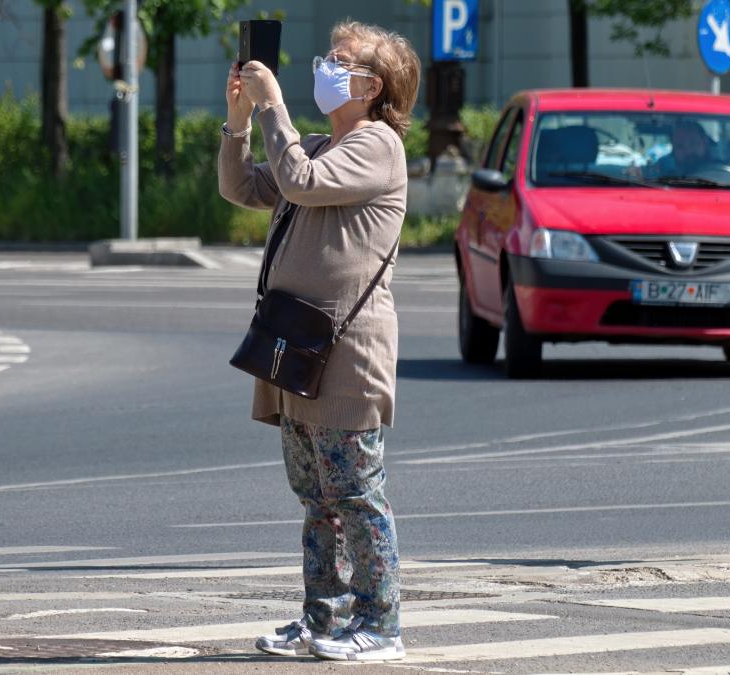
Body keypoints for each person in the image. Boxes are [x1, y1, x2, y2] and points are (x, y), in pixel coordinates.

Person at [218, 20, 420, 662]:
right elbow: (244, 186)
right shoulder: (312, 145)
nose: (325, 68)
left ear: (372, 84)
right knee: (316, 498)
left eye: (341, 61)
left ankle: (381, 625)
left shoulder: (378, 145)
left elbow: (301, 182)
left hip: (346, 351)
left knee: (356, 492)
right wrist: (240, 122)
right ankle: (323, 618)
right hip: (296, 341)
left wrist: (273, 104)